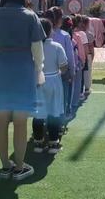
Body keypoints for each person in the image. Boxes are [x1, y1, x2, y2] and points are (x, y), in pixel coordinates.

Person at [0, 0, 45, 181]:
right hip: (23, 69)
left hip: (2, 67)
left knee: (1, 120)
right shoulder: (30, 16)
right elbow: (38, 49)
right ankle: (19, 167)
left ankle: (5, 166)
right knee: (20, 122)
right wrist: (39, 70)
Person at [33, 18, 68, 154]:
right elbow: (64, 66)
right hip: (53, 80)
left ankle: (38, 142)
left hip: (37, 81)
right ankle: (53, 143)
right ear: (50, 31)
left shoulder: (33, 47)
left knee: (38, 113)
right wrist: (59, 72)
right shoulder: (56, 46)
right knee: (54, 112)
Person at [45, 7, 75, 120]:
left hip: (45, 72)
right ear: (59, 20)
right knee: (62, 98)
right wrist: (72, 71)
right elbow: (70, 57)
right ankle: (60, 121)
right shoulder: (65, 35)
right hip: (62, 72)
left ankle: (45, 122)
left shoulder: (41, 35)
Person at [71, 15, 89, 109]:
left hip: (66, 62)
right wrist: (83, 59)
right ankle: (79, 95)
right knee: (79, 79)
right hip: (77, 61)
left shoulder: (67, 34)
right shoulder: (79, 35)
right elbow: (83, 48)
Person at [82, 15, 95, 95]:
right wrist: (92, 55)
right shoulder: (89, 34)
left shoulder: (75, 32)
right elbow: (91, 47)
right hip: (87, 55)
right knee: (87, 71)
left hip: (79, 55)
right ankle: (87, 87)